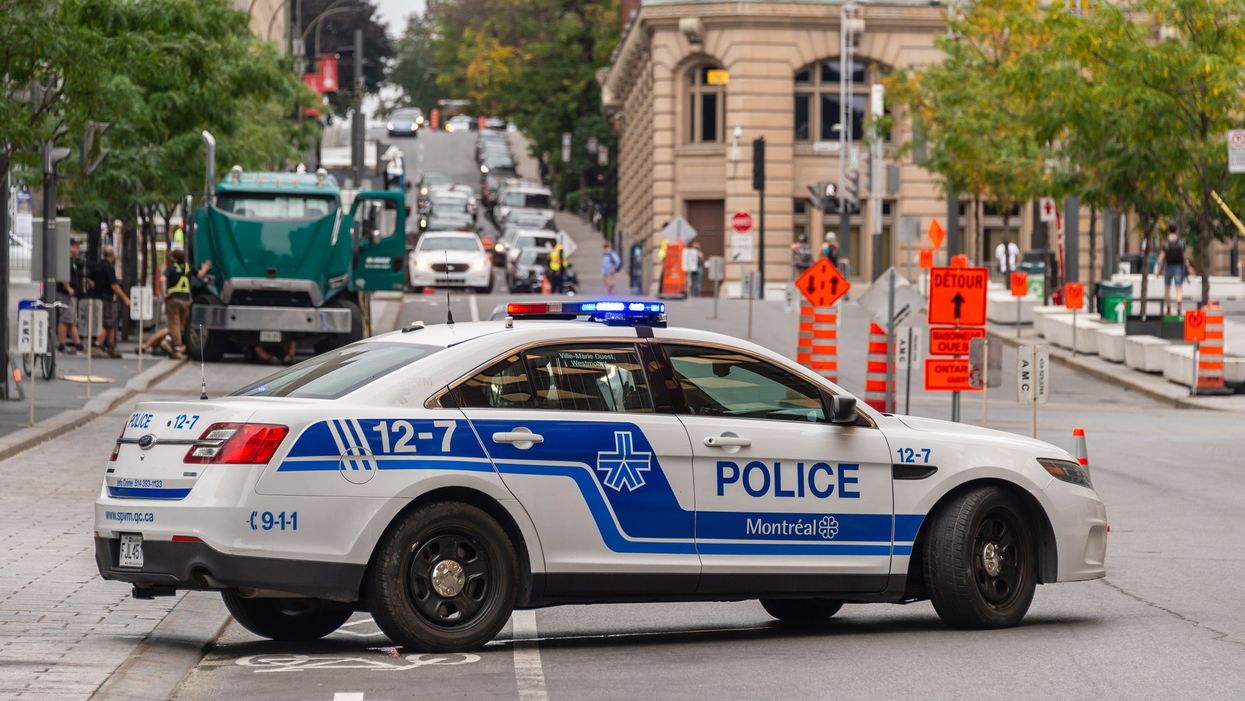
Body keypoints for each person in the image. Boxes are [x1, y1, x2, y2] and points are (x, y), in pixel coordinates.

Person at [163, 241, 211, 360]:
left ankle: (176, 348)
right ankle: (168, 342)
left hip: (173, 299)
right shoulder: (188, 267)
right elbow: (200, 275)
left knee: (174, 325)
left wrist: (163, 293)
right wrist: (205, 267)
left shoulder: (171, 268)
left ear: (174, 258)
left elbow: (161, 279)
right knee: (181, 326)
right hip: (186, 300)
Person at [88, 245, 130, 358]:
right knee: (107, 323)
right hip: (106, 299)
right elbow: (114, 285)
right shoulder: (109, 268)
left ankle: (111, 347)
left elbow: (90, 281)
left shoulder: (97, 265)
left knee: (107, 323)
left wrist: (97, 288)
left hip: (97, 298)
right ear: (113, 255)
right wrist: (125, 298)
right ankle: (97, 346)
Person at [56, 238, 85, 355]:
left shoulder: (71, 260)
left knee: (71, 319)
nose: (78, 250)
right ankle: (62, 344)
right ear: (70, 247)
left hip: (69, 293)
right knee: (65, 319)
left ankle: (78, 344)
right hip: (65, 293)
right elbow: (64, 274)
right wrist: (67, 287)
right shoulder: (66, 259)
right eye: (76, 247)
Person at [1157, 224, 1194, 316]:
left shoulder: (1166, 242)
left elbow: (1162, 256)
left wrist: (1158, 270)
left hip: (1168, 266)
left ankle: (1168, 308)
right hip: (1178, 267)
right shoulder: (1181, 242)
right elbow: (1184, 256)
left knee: (1167, 288)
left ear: (1168, 230)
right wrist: (1188, 266)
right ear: (1176, 230)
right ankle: (1178, 307)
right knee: (1179, 288)